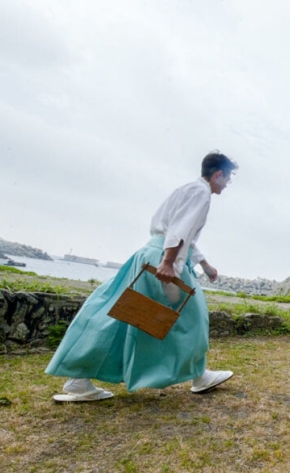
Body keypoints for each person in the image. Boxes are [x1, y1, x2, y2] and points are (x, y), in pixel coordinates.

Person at [46, 151, 239, 402]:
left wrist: (203, 263)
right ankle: (199, 376)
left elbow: (178, 231)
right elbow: (180, 230)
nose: (227, 185)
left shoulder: (187, 189)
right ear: (218, 174)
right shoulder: (201, 193)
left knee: (122, 314)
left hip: (150, 254)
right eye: (228, 179)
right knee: (192, 314)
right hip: (163, 259)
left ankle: (78, 380)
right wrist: (168, 262)